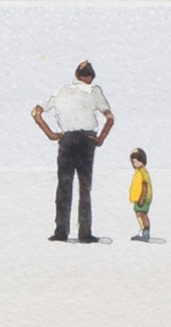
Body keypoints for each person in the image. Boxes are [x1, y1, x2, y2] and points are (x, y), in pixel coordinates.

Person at [31, 60, 114, 242]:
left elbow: (36, 113)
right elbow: (110, 118)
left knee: (63, 186)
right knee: (85, 187)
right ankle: (84, 234)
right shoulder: (94, 90)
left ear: (77, 76)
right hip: (87, 140)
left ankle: (61, 232)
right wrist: (100, 139)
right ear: (90, 77)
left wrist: (51, 134)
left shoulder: (61, 90)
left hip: (66, 140)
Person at [128, 148, 154, 242]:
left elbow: (145, 185)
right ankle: (143, 232)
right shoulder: (139, 171)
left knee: (142, 214)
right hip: (139, 198)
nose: (135, 164)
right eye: (134, 162)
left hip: (142, 198)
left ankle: (145, 234)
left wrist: (142, 198)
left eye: (137, 161)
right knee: (140, 214)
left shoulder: (142, 171)